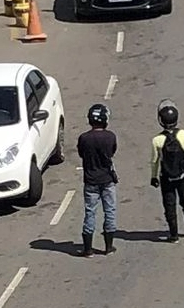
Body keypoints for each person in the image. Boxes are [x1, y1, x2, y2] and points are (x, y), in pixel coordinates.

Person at [150, 100, 184, 243]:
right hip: (183, 175)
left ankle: (174, 234)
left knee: (170, 205)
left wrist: (154, 177)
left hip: (167, 177)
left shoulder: (157, 140)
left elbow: (155, 161)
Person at [78, 103, 118, 257]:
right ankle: (108, 246)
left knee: (90, 213)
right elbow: (112, 151)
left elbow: (82, 153)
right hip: (107, 180)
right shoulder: (110, 137)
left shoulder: (84, 138)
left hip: (90, 181)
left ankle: (88, 248)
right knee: (110, 211)